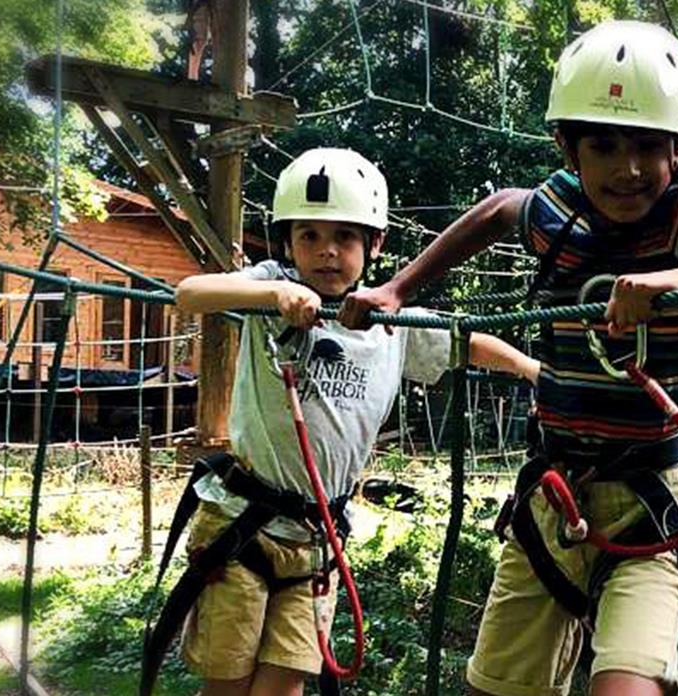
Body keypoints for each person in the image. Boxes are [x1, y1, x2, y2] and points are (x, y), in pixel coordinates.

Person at [341, 20, 678, 696]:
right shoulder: (556, 211)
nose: (627, 168)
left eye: (647, 146)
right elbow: (496, 210)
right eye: (603, 145)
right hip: (555, 495)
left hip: (653, 499)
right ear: (567, 146)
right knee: (498, 687)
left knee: (627, 687)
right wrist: (397, 287)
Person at [153, 148, 538, 696]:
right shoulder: (272, 290)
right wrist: (273, 293)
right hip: (241, 523)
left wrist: (527, 367)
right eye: (308, 235)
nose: (326, 250)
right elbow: (191, 293)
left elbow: (466, 343)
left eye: (345, 237)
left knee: (286, 684)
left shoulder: (392, 322)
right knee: (229, 684)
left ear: (374, 245)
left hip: (317, 539)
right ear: (288, 243)